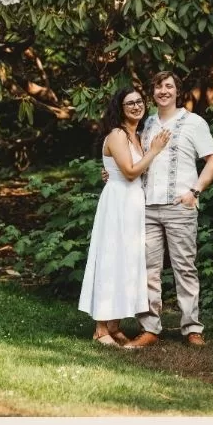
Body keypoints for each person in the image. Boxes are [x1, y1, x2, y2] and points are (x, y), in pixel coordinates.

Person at [129, 69, 213, 349]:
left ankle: (192, 329)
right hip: (147, 206)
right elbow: (134, 160)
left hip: (180, 206)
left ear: (177, 91)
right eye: (158, 87)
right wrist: (112, 172)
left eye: (168, 86)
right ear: (152, 92)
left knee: (185, 268)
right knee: (148, 270)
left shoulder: (194, 122)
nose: (163, 91)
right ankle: (149, 328)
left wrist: (195, 192)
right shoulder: (146, 124)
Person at [78, 87, 169, 347]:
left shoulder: (136, 135)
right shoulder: (118, 134)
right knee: (110, 260)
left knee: (125, 262)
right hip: (117, 203)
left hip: (133, 204)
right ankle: (100, 328)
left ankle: (114, 325)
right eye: (130, 103)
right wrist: (155, 150)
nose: (136, 106)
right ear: (120, 108)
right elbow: (129, 172)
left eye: (139, 101)